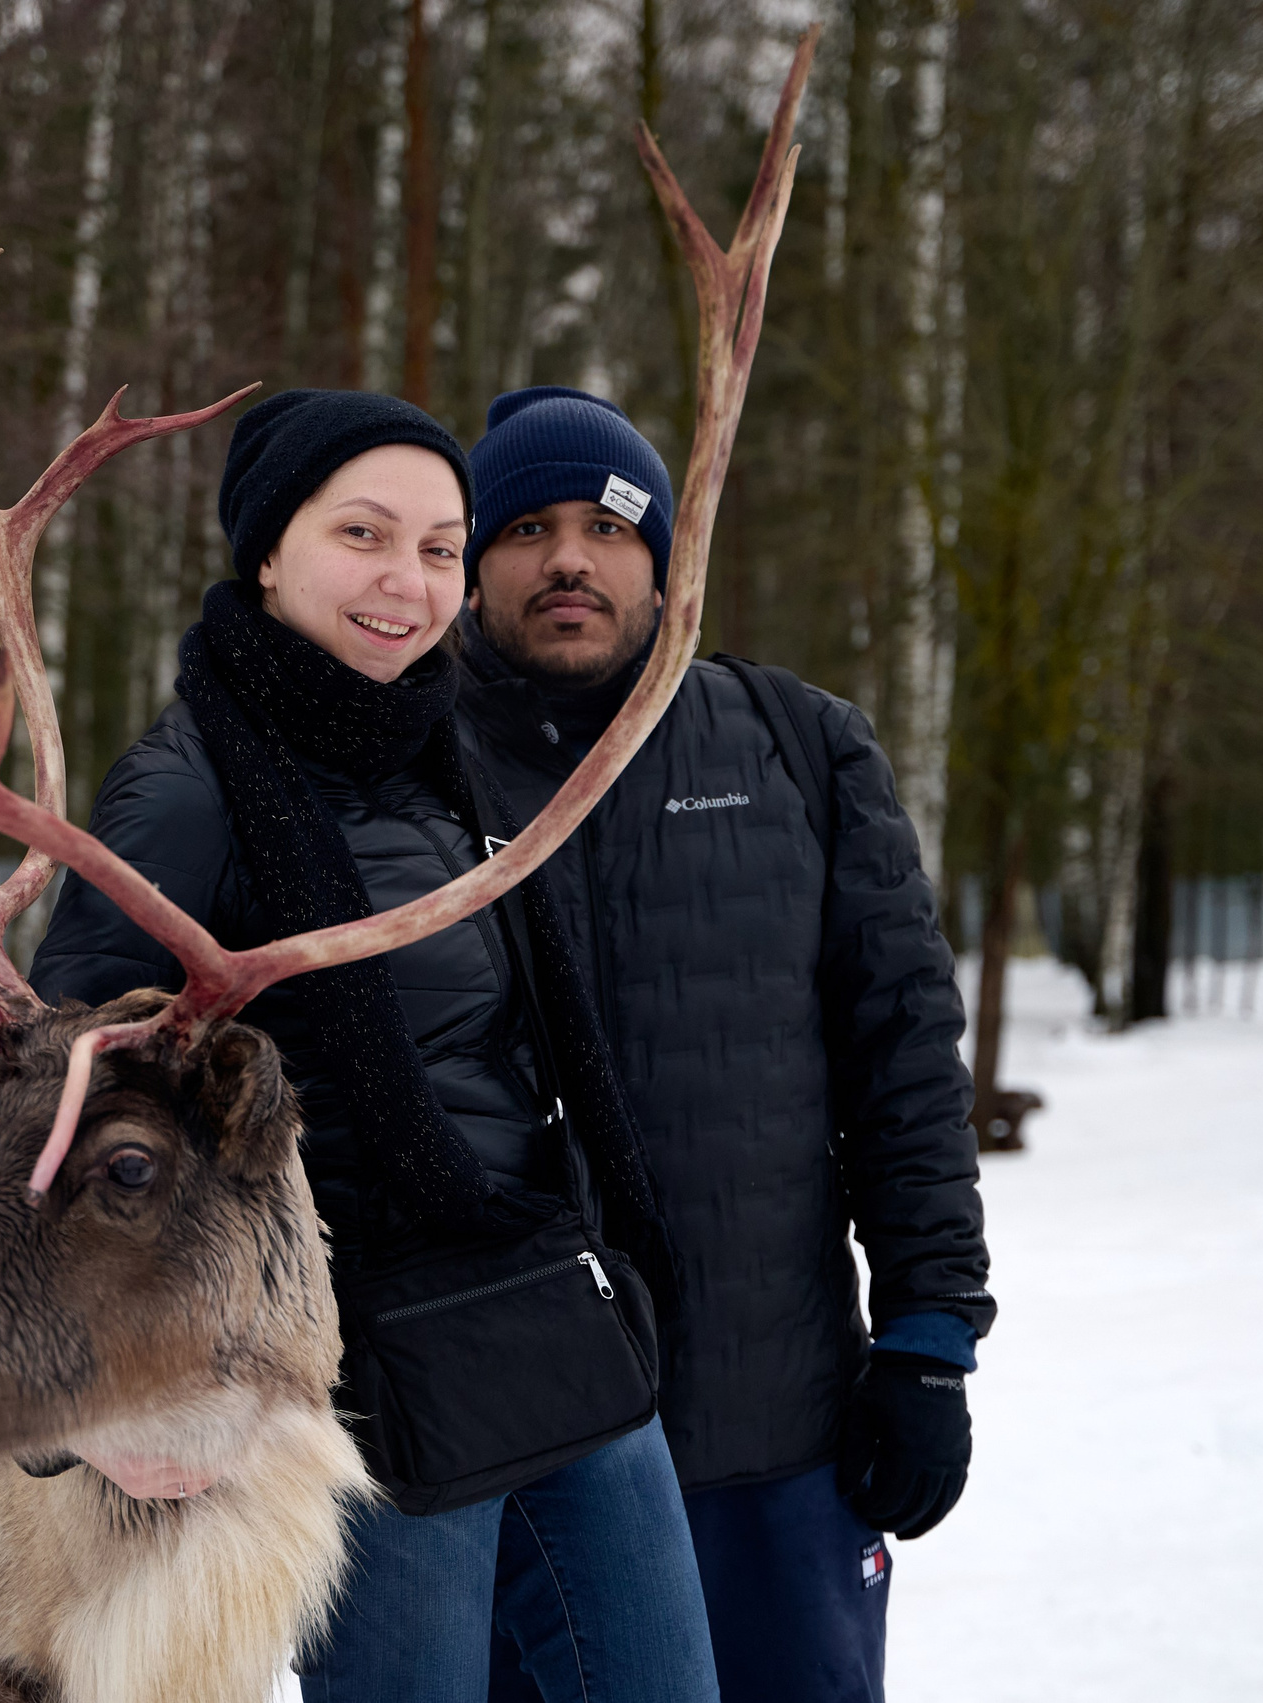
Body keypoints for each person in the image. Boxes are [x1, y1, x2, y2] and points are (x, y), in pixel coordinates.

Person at [0, 390, 720, 1703]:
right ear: (268, 550)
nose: (407, 582)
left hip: (560, 1337)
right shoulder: (189, 794)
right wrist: (79, 1421)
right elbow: (32, 1117)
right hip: (358, 1403)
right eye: (362, 534)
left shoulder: (463, 761)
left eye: (440, 548)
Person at [454, 387, 995, 1703]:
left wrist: (927, 1339)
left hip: (774, 1434)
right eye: (525, 527)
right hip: (490, 1456)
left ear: (670, 557)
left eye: (608, 525)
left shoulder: (798, 747)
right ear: (467, 566)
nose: (569, 557)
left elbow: (906, 1062)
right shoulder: (401, 772)